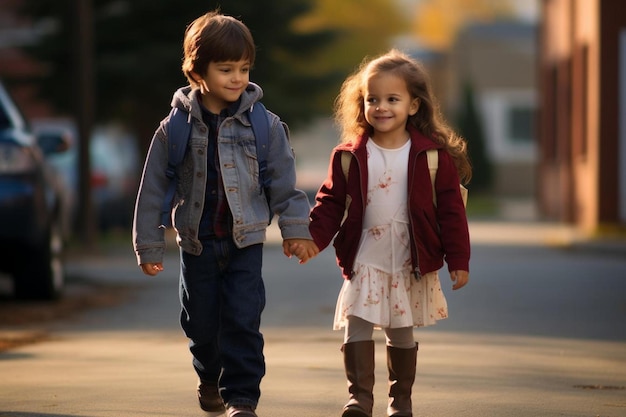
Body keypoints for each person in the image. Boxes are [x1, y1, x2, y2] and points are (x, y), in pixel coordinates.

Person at [132, 11, 318, 417]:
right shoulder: (174, 128)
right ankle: (208, 377)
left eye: (244, 68)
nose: (237, 78)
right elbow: (153, 190)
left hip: (245, 242)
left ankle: (242, 399)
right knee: (200, 323)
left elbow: (284, 183)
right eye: (226, 69)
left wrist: (295, 230)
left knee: (243, 319)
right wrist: (149, 245)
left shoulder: (265, 126)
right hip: (197, 244)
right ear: (197, 71)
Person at [307, 49, 471, 417]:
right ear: (361, 103)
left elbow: (451, 212)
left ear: (414, 105)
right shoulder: (349, 155)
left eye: (392, 99)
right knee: (358, 322)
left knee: (400, 328)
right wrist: (312, 240)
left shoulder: (432, 157)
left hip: (410, 256)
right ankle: (359, 399)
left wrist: (458, 260)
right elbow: (330, 203)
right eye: (372, 99)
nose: (381, 107)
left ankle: (400, 402)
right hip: (366, 253)